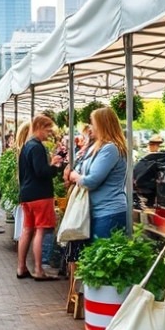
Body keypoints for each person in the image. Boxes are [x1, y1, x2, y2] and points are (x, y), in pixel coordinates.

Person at [65, 106, 129, 250]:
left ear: (102, 125)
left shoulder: (110, 149)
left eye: (93, 123)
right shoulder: (99, 147)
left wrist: (75, 176)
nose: (90, 127)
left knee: (102, 264)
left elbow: (91, 181)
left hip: (108, 214)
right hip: (98, 212)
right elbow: (81, 168)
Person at [16, 115, 64, 281]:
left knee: (27, 230)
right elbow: (41, 172)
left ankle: (21, 267)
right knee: (40, 230)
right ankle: (38, 269)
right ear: (39, 127)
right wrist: (55, 166)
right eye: (48, 130)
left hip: (27, 194)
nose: (49, 134)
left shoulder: (26, 146)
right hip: (40, 195)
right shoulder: (37, 147)